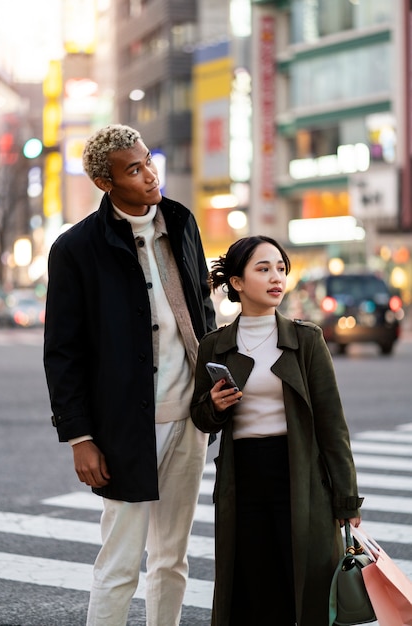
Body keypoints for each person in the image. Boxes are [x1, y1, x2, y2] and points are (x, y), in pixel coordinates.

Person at [43, 123, 216, 626]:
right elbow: (63, 351)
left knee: (172, 559)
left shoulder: (181, 222)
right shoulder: (77, 248)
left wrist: (214, 383)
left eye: (147, 160)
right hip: (123, 429)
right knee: (119, 563)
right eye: (133, 169)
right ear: (105, 183)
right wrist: (79, 436)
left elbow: (200, 308)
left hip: (188, 419)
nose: (149, 174)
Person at [190, 235, 363, 626]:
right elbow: (199, 416)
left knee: (303, 586)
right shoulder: (214, 346)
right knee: (252, 587)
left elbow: (332, 424)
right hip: (243, 479)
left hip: (300, 474)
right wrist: (214, 406)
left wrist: (346, 500)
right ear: (237, 282)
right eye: (263, 268)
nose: (276, 278)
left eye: (281, 268)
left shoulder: (306, 340)